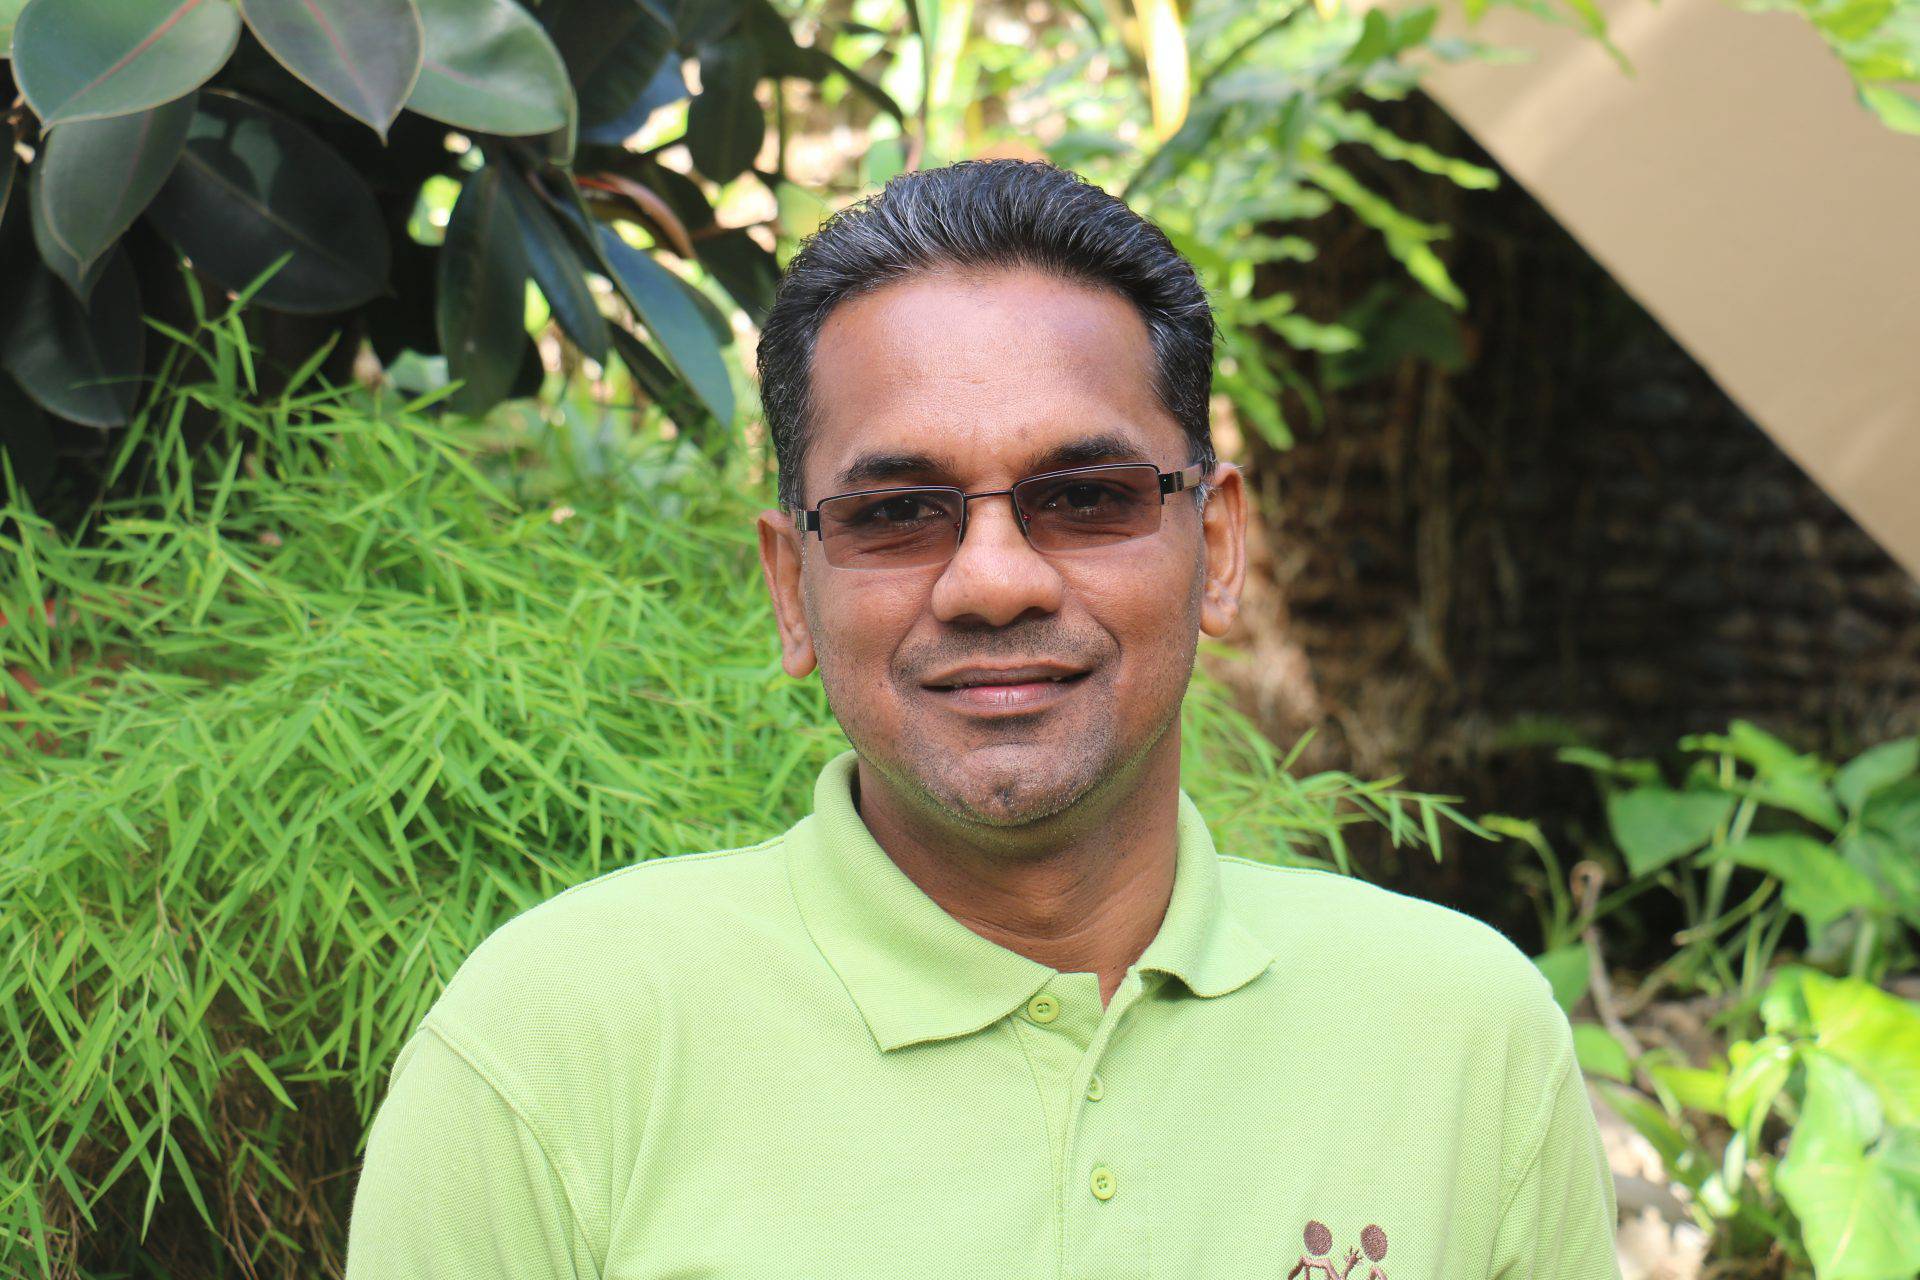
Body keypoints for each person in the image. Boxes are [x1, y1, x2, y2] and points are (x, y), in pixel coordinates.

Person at [343, 159, 1622, 1279]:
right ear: (791, 587)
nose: (995, 580)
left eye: (1086, 495)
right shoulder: (555, 1051)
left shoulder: (1461, 1039)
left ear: (1219, 547)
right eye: (898, 513)